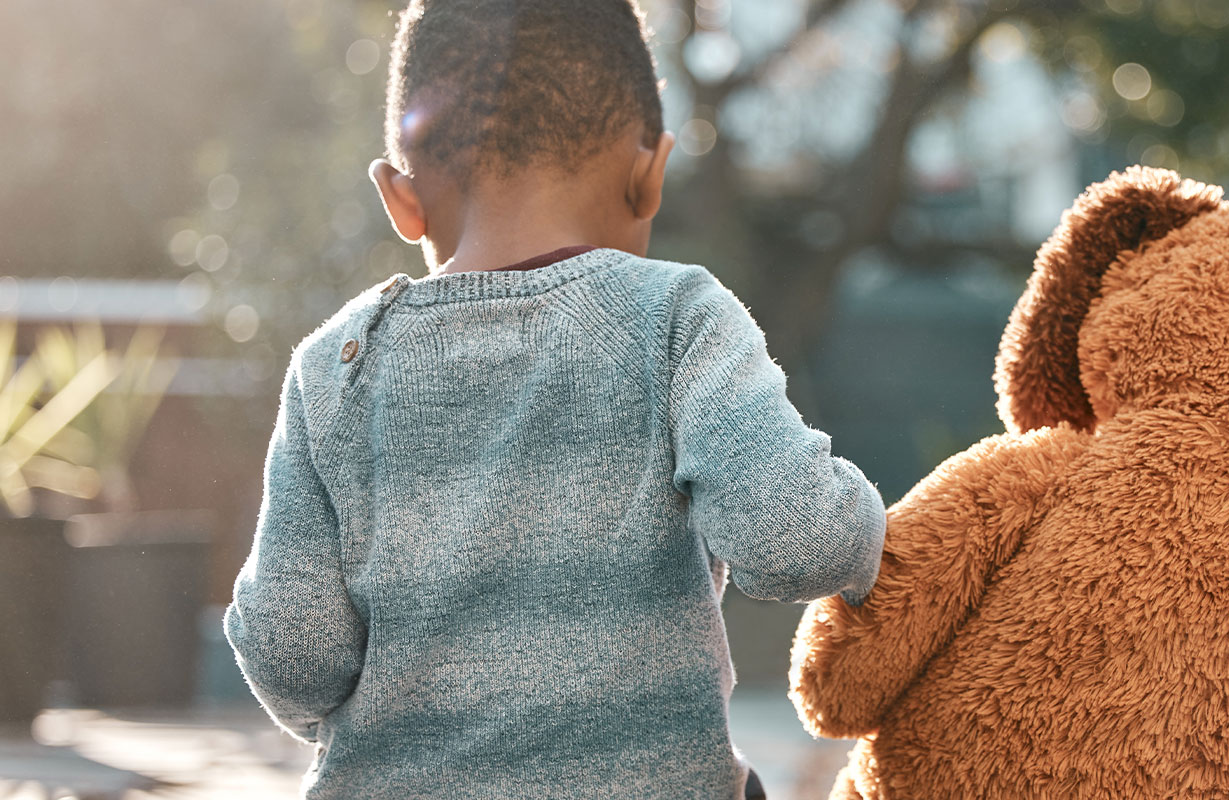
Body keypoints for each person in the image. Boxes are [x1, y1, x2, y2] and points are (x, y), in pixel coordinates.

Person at [222, 1, 885, 797]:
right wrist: (864, 520)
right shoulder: (674, 319)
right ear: (651, 173)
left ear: (402, 198)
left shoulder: (334, 365)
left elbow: (292, 657)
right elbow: (794, 541)